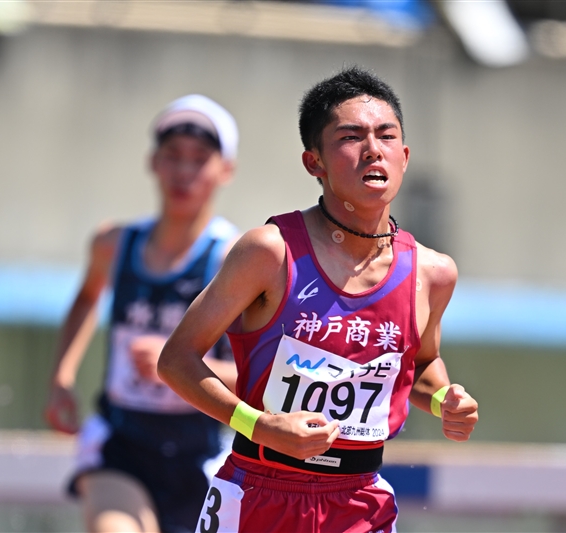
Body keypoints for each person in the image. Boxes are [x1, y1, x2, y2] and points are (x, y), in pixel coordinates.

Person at [157, 67, 479, 533]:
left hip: (359, 502)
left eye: (386, 136)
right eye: (351, 136)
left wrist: (448, 398)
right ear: (315, 163)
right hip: (257, 494)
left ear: (404, 157)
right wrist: (258, 425)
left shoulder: (433, 273)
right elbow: (176, 360)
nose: (373, 149)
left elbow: (420, 367)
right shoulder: (268, 251)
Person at [44, 94, 240, 533]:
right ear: (153, 163)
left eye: (199, 159)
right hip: (122, 444)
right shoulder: (113, 243)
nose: (184, 172)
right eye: (172, 156)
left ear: (226, 170)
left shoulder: (235, 260)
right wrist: (62, 376)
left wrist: (180, 366)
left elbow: (260, 378)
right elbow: (85, 299)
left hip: (203, 454)